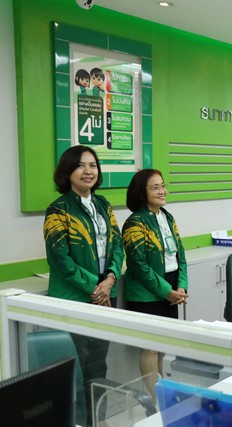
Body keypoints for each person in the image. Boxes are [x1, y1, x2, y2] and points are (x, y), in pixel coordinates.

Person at [43, 145, 123, 424]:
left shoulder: (103, 205)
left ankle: (96, 421)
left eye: (93, 165)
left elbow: (117, 245)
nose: (88, 171)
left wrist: (110, 279)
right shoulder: (58, 210)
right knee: (75, 368)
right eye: (80, 165)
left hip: (104, 296)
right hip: (73, 298)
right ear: (67, 172)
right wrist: (95, 287)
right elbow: (60, 259)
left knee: (98, 366)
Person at [122, 169, 188, 401]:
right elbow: (138, 264)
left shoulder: (167, 217)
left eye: (163, 185)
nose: (162, 191)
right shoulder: (135, 222)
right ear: (142, 192)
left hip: (171, 286)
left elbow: (180, 254)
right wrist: (165, 291)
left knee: (162, 344)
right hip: (147, 293)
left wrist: (181, 286)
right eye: (155, 187)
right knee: (150, 346)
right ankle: (157, 400)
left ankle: (162, 395)